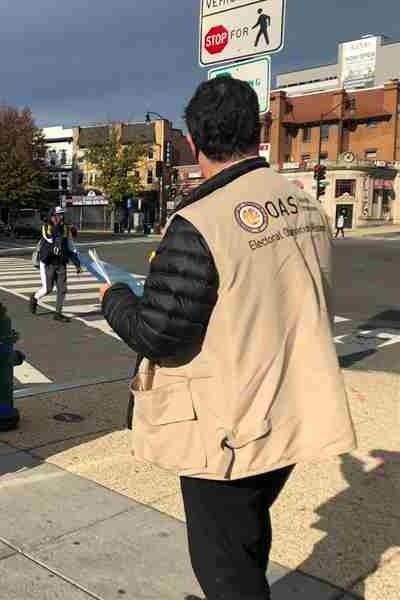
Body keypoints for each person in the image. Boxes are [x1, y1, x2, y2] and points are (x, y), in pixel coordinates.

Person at [99, 76, 356, 600]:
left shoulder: (200, 221)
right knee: (248, 533)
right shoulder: (303, 204)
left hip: (230, 424)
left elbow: (160, 335)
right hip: (289, 405)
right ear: (258, 130)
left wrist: (114, 299)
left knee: (222, 565)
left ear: (193, 142)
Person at [30, 206, 81, 322]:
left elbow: (71, 246)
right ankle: (34, 297)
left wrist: (77, 264)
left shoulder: (65, 228)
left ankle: (58, 313)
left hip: (61, 263)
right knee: (47, 289)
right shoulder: (46, 227)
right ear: (51, 216)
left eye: (62, 215)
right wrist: (58, 226)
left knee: (62, 289)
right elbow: (50, 238)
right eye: (57, 215)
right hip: (48, 262)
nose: (60, 217)